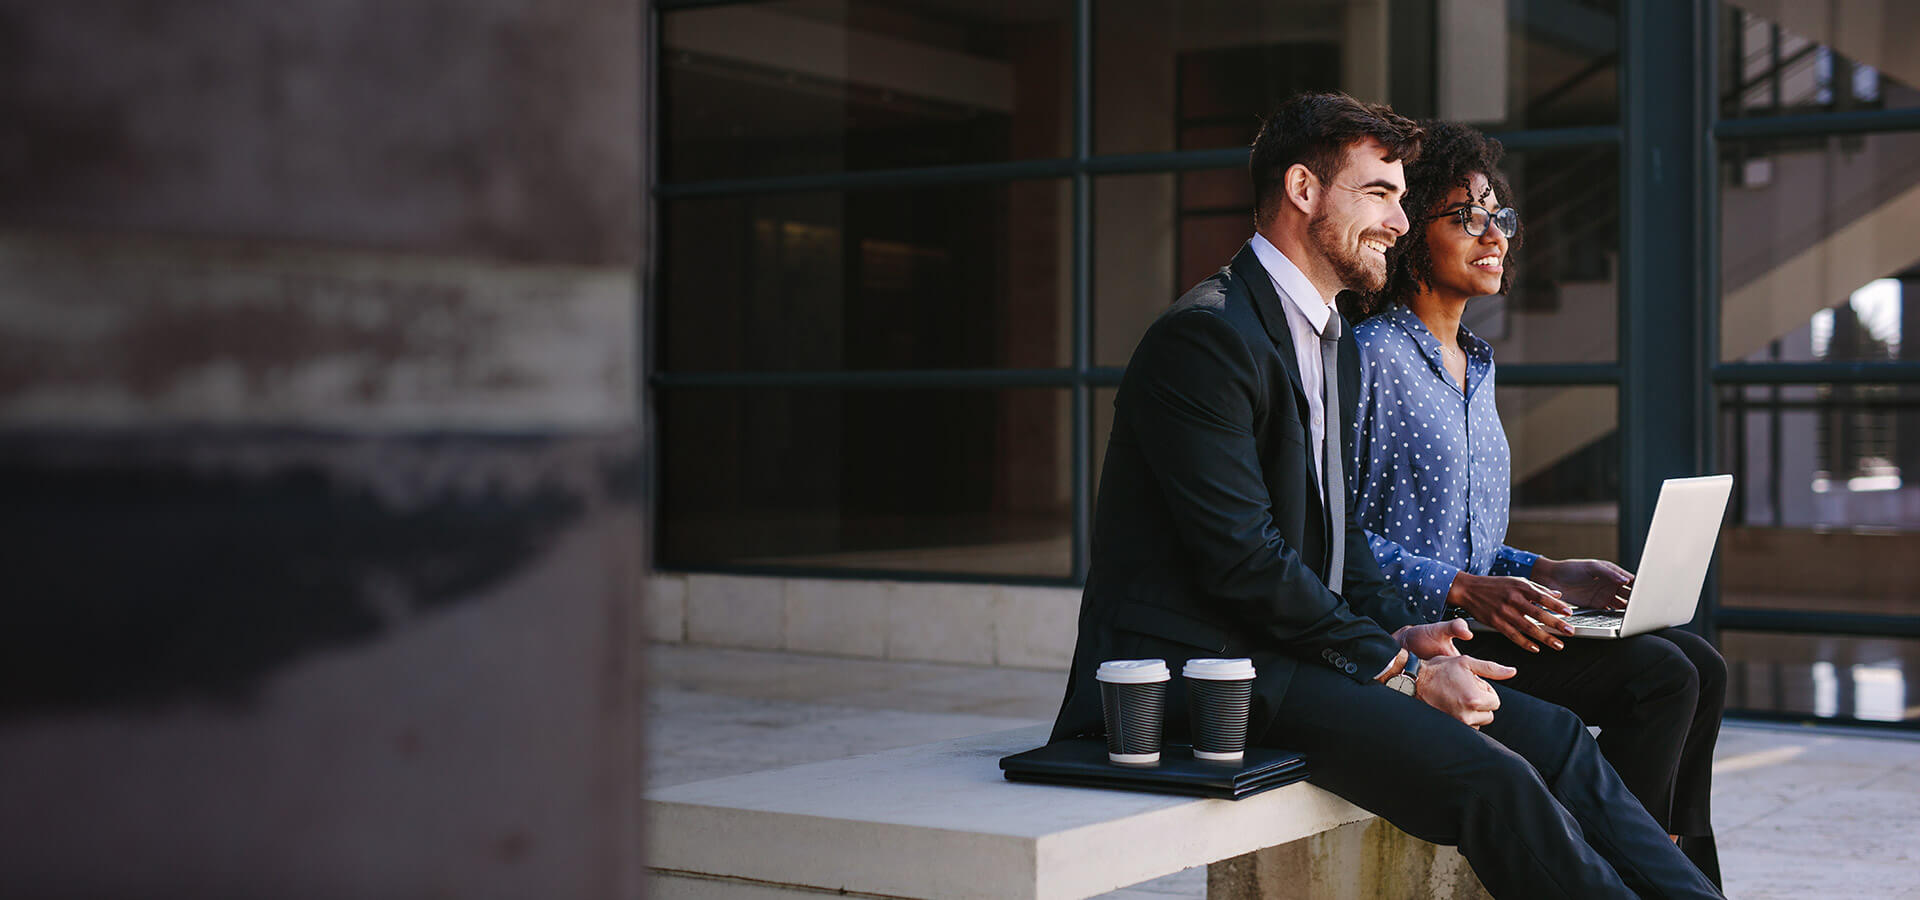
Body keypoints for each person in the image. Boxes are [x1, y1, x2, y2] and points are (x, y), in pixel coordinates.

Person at [1048, 92, 1722, 899]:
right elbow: (1243, 561)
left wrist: (1413, 630)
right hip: (1210, 677)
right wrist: (1398, 666)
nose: (1400, 224)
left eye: (1404, 200)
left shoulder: (1324, 340)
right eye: (1380, 194)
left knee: (1562, 743)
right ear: (1303, 190)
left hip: (1298, 652)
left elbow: (1338, 542)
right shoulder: (1206, 338)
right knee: (1498, 783)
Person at [1347, 119, 1729, 885]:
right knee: (1661, 675)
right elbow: (1338, 532)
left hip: (1491, 612)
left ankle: (1673, 860)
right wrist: (1467, 589)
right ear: (1411, 229)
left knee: (1700, 664)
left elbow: (1469, 544)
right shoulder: (1373, 357)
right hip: (1426, 634)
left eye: (1502, 218)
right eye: (1468, 217)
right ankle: (1640, 865)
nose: (1495, 237)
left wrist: (1549, 568)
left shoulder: (1476, 365)